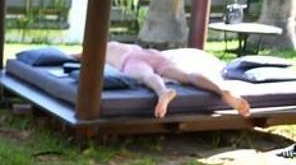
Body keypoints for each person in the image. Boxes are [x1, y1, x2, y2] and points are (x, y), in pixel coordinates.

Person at [77, 41, 251, 119]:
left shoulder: (100, 48)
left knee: (147, 76)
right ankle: (222, 91)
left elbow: (71, 56)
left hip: (131, 61)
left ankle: (163, 92)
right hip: (154, 54)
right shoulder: (122, 44)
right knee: (187, 76)